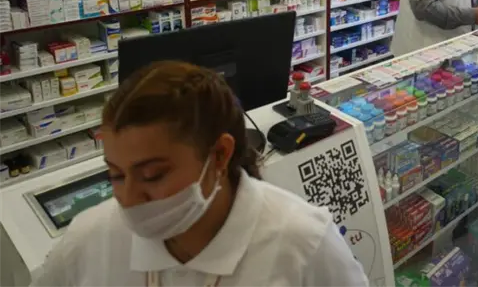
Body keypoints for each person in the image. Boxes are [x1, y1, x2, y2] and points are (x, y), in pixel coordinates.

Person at [32, 61, 369, 287]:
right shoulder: (90, 240)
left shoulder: (303, 244)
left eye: (152, 176)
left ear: (220, 154)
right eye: (116, 176)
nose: (129, 199)